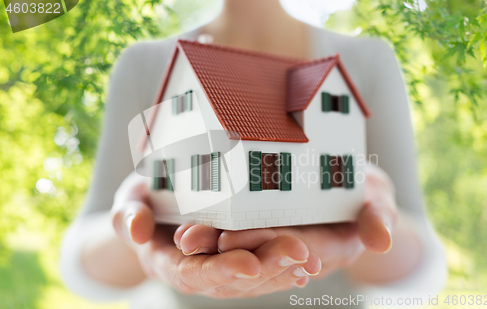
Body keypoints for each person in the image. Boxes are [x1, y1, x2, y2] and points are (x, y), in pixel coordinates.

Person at [60, 0, 447, 308]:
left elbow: (421, 262)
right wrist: (138, 232)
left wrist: (360, 221)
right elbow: (82, 262)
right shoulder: (144, 64)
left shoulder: (365, 61)